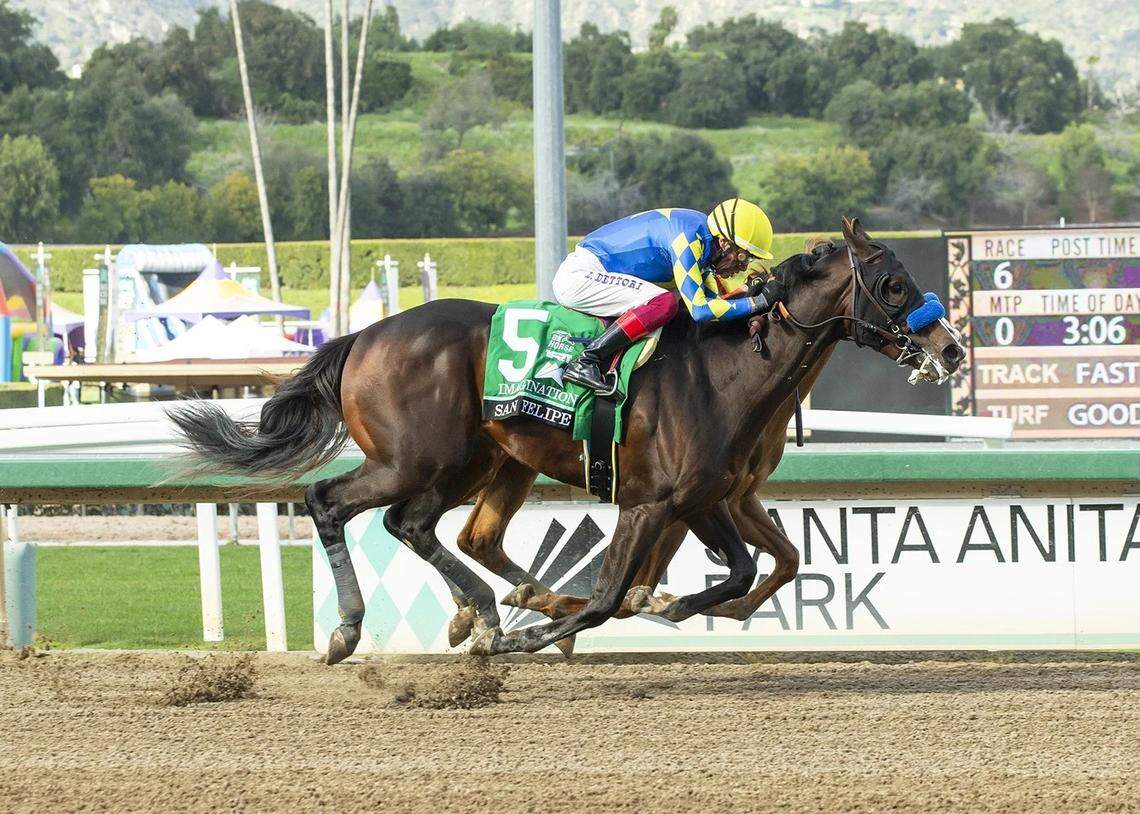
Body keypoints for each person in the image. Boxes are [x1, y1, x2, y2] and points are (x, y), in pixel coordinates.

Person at [554, 198, 787, 391]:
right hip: (581, 275)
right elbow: (701, 310)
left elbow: (714, 304)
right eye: (743, 257)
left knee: (671, 300)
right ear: (725, 243)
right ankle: (587, 360)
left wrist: (747, 292)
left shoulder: (703, 244)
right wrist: (758, 302)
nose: (743, 267)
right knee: (663, 302)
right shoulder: (688, 239)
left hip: (596, 271)